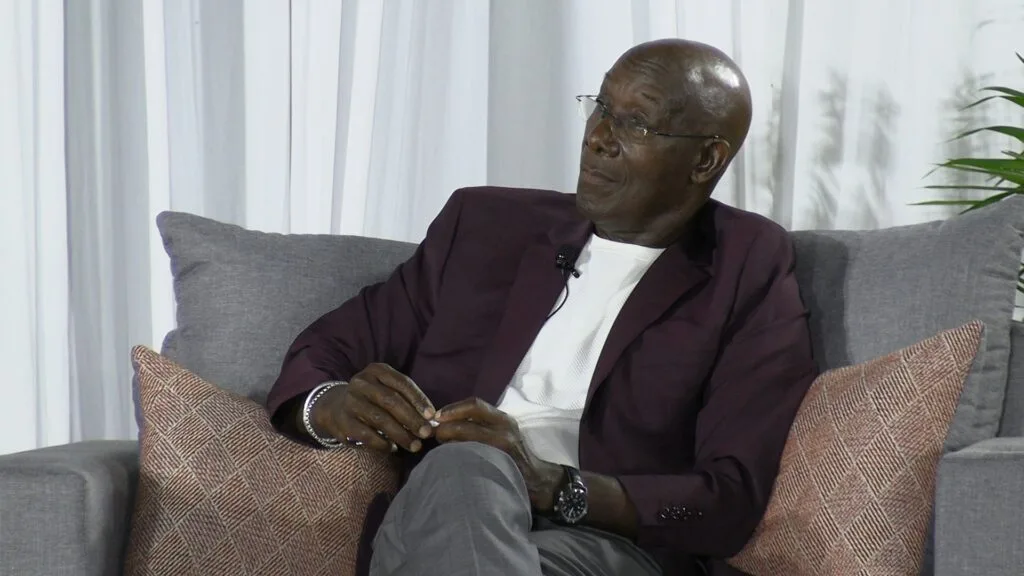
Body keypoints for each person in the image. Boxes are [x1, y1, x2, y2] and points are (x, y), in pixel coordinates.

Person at [267, 38, 817, 576]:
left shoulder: (745, 264)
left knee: (470, 468)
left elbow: (731, 494)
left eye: (636, 123)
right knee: (466, 464)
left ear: (705, 160)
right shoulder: (485, 227)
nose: (597, 137)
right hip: (443, 513)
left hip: (607, 545)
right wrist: (329, 407)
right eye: (601, 107)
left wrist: (556, 485)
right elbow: (328, 347)